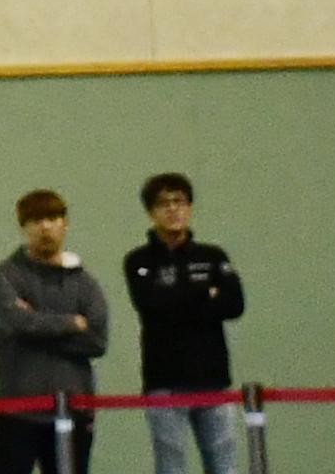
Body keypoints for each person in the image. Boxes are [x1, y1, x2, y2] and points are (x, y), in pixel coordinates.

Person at [124, 174, 245, 474]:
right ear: (151, 213)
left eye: (179, 201)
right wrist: (205, 293)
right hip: (164, 382)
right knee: (171, 467)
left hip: (214, 381)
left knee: (223, 466)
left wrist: (177, 297)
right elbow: (152, 308)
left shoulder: (213, 256)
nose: (173, 209)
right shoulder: (139, 261)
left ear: (190, 207)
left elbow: (234, 305)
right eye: (164, 203)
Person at [0, 191, 111, 474]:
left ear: (65, 224)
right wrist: (71, 323)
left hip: (72, 410)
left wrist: (35, 323)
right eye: (36, 220)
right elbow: (16, 323)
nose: (45, 227)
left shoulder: (85, 283)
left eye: (53, 218)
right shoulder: (5, 275)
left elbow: (97, 340)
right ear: (23, 227)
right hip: (17, 408)